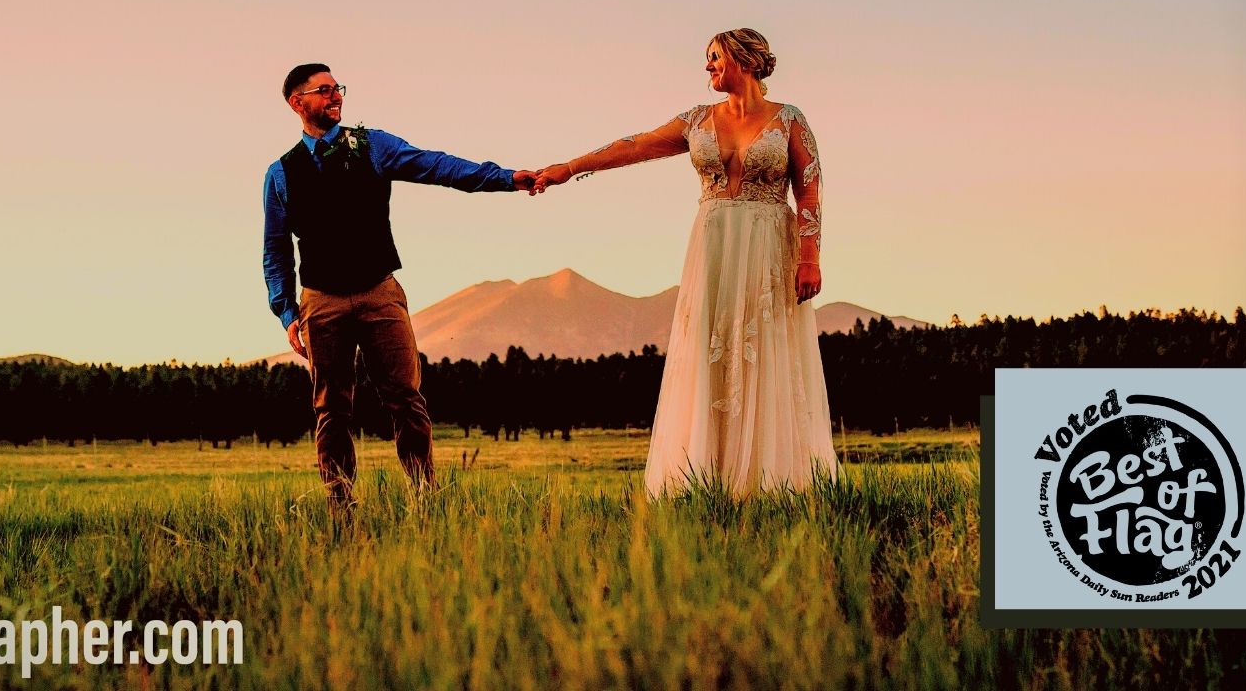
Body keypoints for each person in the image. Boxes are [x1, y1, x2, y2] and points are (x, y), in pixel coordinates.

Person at [533, 29, 839, 496]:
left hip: (768, 247)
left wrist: (810, 257)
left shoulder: (790, 120)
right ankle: (706, 479)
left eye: (714, 57)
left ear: (744, 59)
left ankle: (769, 482)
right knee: (709, 350)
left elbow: (810, 189)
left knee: (764, 350)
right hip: (713, 247)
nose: (707, 66)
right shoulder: (697, 120)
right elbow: (634, 145)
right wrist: (567, 169)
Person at [263, 63, 535, 509]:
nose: (337, 97)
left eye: (339, 89)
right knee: (331, 410)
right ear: (298, 103)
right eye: (325, 90)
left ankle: (426, 498)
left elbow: (439, 166)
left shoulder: (374, 147)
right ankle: (340, 507)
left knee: (406, 399)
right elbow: (275, 252)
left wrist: (506, 179)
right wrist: (287, 313)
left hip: (380, 292)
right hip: (321, 301)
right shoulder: (280, 174)